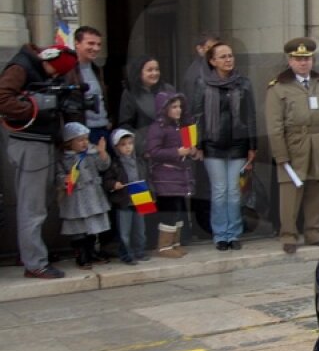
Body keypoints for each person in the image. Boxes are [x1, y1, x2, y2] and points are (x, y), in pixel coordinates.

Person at [0, 44, 85, 278]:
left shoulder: (37, 68)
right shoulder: (20, 67)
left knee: (38, 204)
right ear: (47, 61)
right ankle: (35, 263)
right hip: (30, 143)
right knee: (32, 206)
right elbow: (3, 98)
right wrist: (36, 107)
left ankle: (32, 253)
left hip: (42, 141)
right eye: (56, 71)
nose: (56, 76)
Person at [265, 37, 319, 254]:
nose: (303, 63)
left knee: (316, 190)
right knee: (290, 193)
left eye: (306, 59)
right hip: (294, 143)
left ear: (312, 60)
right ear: (290, 61)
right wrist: (281, 155)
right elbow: (274, 126)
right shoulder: (278, 87)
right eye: (298, 59)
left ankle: (313, 232)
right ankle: (288, 234)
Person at [193, 41, 258, 250]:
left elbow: (251, 116)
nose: (228, 60)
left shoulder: (243, 83)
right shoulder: (203, 83)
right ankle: (221, 234)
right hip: (213, 146)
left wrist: (252, 146)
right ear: (212, 61)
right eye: (223, 57)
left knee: (234, 191)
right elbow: (197, 116)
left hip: (238, 145)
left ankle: (234, 234)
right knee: (219, 191)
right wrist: (197, 144)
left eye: (230, 55)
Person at [145, 91, 198, 258]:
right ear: (164, 108)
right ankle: (164, 246)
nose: (178, 110)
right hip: (165, 176)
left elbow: (187, 148)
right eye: (174, 107)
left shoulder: (181, 126)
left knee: (178, 211)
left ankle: (175, 243)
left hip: (180, 175)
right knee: (168, 210)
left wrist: (191, 151)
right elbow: (153, 152)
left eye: (179, 106)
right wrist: (177, 152)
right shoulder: (157, 128)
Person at [57, 120, 112, 269]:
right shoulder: (64, 158)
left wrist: (102, 152)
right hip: (76, 198)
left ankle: (92, 251)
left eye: (86, 139)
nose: (85, 143)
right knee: (78, 227)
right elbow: (58, 175)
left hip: (93, 195)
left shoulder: (91, 154)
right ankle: (81, 253)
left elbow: (103, 166)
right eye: (80, 140)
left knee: (93, 226)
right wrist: (64, 180)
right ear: (69, 142)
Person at [103, 128, 150, 264]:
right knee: (124, 232)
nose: (128, 147)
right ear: (116, 147)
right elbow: (107, 181)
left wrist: (150, 193)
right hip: (124, 200)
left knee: (140, 229)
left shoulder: (139, 161)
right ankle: (127, 255)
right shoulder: (115, 164)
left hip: (140, 197)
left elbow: (147, 177)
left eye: (130, 143)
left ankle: (140, 251)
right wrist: (114, 184)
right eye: (123, 144)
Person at [117, 55, 175, 151]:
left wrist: (190, 144)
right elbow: (125, 126)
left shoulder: (169, 89)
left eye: (157, 69)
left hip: (173, 147)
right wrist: (143, 144)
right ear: (139, 72)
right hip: (146, 150)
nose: (154, 73)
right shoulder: (130, 93)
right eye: (149, 70)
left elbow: (185, 118)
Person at [73, 25, 111, 144]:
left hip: (103, 128)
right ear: (77, 43)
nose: (96, 48)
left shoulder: (97, 69)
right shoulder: (69, 71)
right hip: (82, 133)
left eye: (99, 44)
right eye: (91, 43)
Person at [182, 32, 220, 101]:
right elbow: (192, 102)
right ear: (200, 49)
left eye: (217, 48)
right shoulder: (195, 73)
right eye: (210, 48)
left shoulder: (212, 67)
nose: (215, 52)